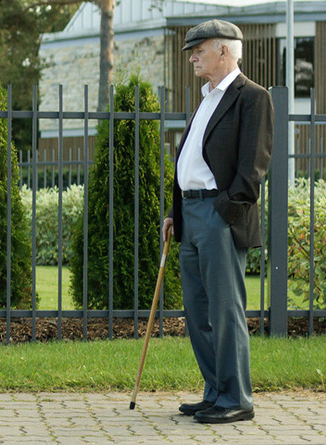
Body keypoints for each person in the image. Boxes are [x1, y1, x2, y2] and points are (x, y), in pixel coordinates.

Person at [162, 19, 273, 424]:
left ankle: (237, 398)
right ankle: (215, 392)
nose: (192, 57)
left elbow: (253, 168)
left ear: (224, 51)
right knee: (197, 310)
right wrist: (177, 212)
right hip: (191, 215)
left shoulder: (252, 98)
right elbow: (191, 162)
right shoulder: (207, 97)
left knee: (225, 311)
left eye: (199, 49)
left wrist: (224, 214)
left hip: (218, 216)